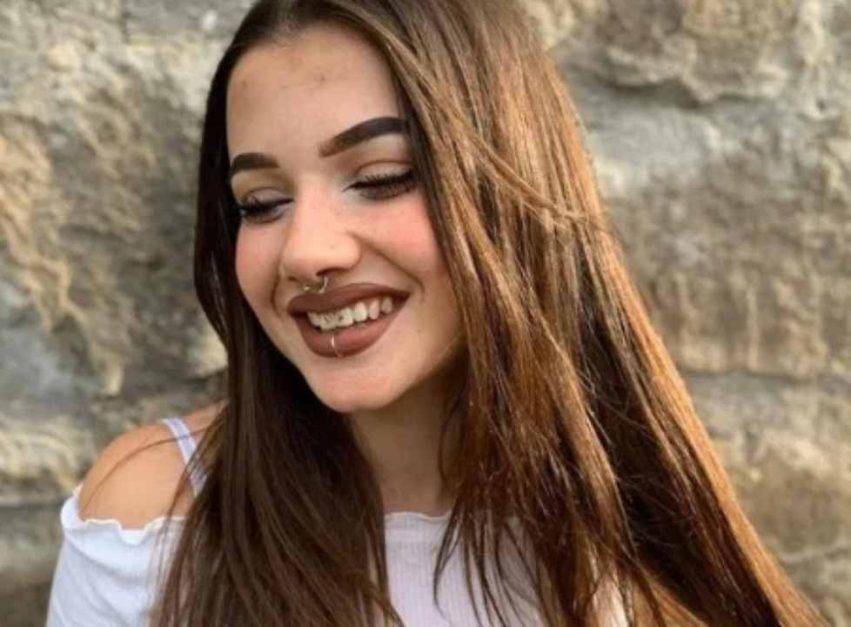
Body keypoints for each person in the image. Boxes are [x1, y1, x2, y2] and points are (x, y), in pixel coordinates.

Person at [46, 0, 825, 625]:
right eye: (262, 202)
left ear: (506, 185)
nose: (305, 251)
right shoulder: (153, 519)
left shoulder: (640, 553)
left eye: (380, 178)